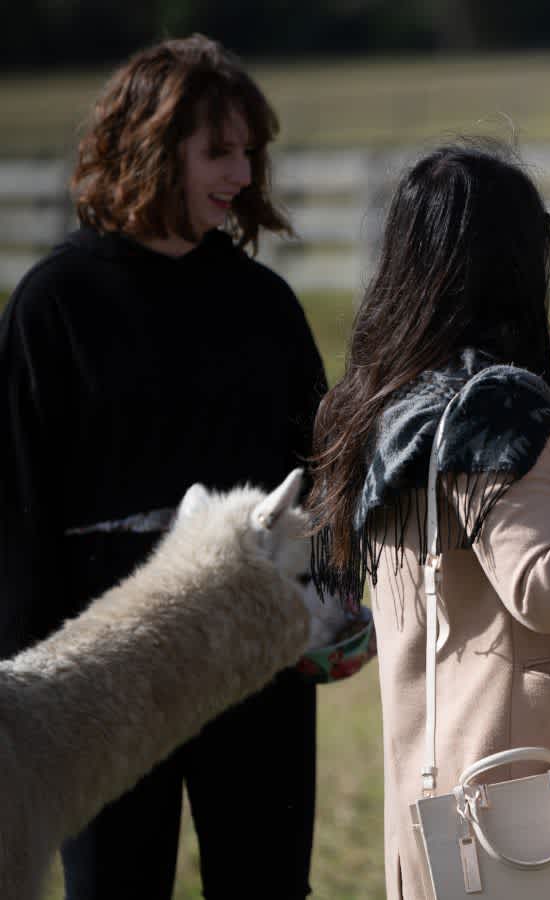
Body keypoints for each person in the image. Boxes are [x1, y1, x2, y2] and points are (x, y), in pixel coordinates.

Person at [307, 142, 550, 900]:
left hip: (440, 800)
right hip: (547, 809)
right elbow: (540, 586)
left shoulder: (370, 405)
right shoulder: (493, 404)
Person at [0, 35, 325, 898]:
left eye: (249, 152)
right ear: (148, 147)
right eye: (218, 151)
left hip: (255, 668)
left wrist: (334, 606)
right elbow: (18, 518)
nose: (242, 174)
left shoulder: (266, 306)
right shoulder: (52, 307)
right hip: (106, 681)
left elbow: (320, 477)